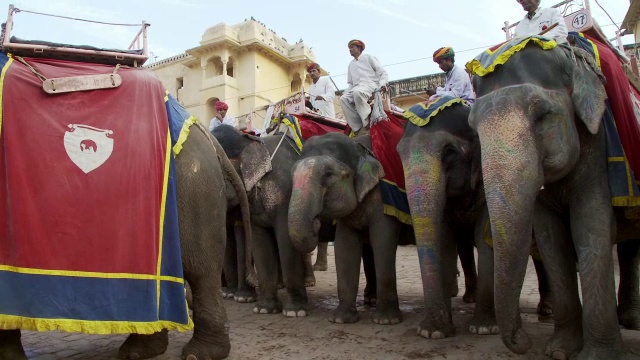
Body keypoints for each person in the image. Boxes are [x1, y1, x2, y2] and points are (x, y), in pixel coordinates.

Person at [340, 39, 388, 135]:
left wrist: (382, 85)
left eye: (352, 48)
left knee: (357, 92)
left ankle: (366, 121)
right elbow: (350, 84)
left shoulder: (368, 57)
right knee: (343, 99)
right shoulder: (350, 65)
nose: (350, 50)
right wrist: (345, 92)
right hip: (356, 87)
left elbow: (383, 73)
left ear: (359, 48)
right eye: (349, 49)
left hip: (371, 85)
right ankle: (357, 127)